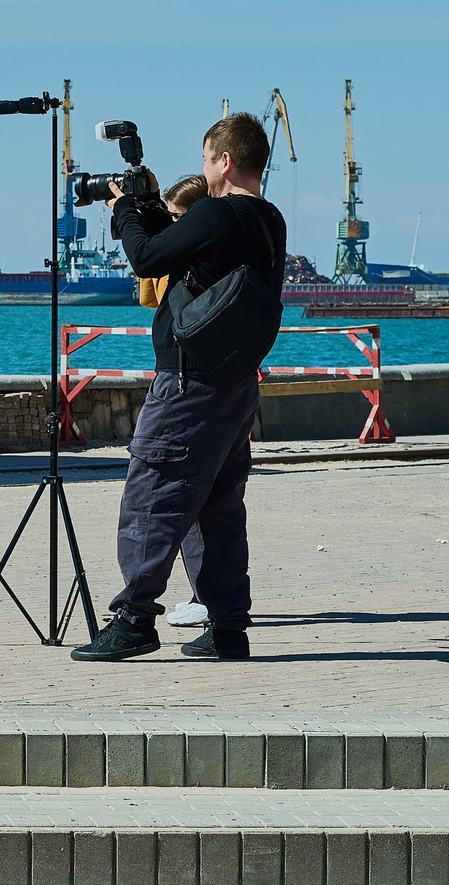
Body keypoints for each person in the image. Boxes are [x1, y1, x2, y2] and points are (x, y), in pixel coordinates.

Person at [75, 113, 286, 664]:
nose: (205, 170)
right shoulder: (270, 220)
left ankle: (134, 619)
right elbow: (185, 250)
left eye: (207, 160)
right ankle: (228, 626)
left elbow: (148, 257)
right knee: (218, 503)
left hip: (188, 381)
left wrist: (124, 211)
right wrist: (149, 213)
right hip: (236, 382)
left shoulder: (217, 212)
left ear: (226, 160)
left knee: (154, 489)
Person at [139, 175, 210, 629]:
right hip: (210, 376)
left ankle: (141, 609)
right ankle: (211, 599)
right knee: (206, 498)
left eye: (179, 219)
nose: (175, 228)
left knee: (167, 493)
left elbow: (151, 290)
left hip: (188, 379)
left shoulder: (199, 256)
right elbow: (149, 293)